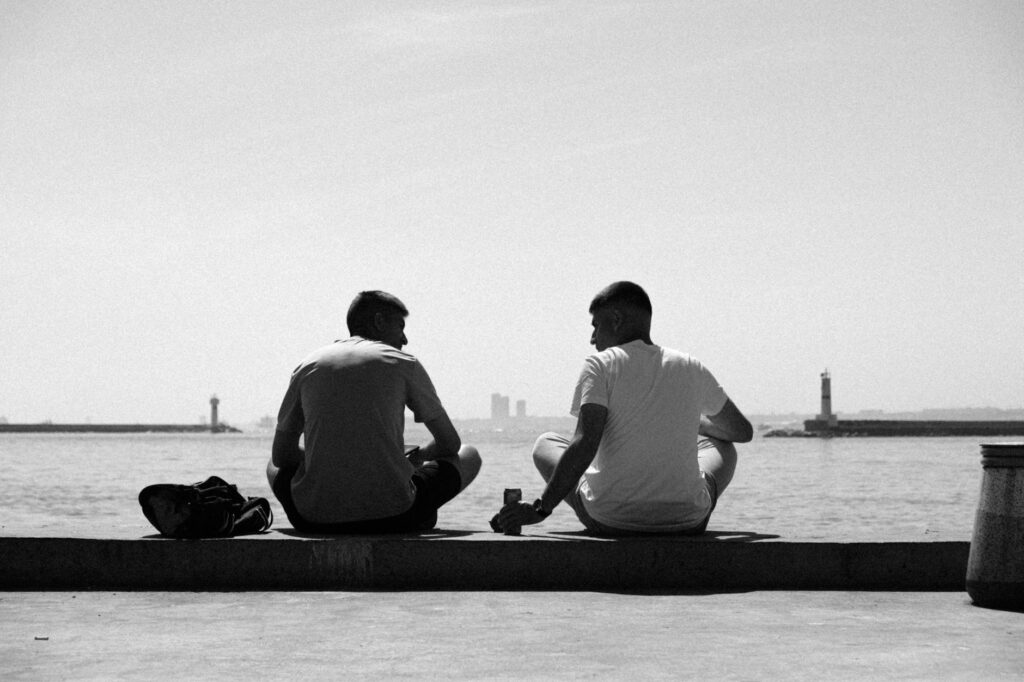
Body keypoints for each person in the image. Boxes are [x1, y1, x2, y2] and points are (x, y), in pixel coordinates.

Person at [492, 281, 752, 536]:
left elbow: (585, 443)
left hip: (610, 519)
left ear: (616, 319)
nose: (592, 338)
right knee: (722, 446)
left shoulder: (600, 365)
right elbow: (741, 431)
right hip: (687, 521)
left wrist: (540, 510)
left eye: (596, 326)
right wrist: (690, 422)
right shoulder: (690, 365)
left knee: (545, 442)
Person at [267, 290, 481, 533]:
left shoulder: (307, 366)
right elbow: (450, 443)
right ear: (379, 322)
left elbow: (281, 456)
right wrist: (418, 457)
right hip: (395, 516)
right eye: (400, 327)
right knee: (469, 454)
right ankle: (420, 513)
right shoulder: (403, 362)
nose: (405, 339)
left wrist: (328, 458)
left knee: (271, 466)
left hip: (312, 519)